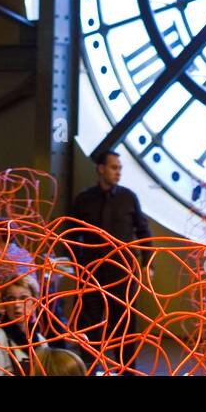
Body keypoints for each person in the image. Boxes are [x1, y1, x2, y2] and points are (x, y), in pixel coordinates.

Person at [63, 150, 151, 371]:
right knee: (89, 326)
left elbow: (143, 231)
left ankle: (127, 371)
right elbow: (71, 234)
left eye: (120, 168)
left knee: (124, 328)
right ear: (101, 169)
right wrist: (74, 263)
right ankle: (89, 370)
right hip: (91, 273)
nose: (118, 172)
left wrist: (148, 263)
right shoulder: (84, 199)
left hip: (122, 274)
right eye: (114, 168)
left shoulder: (128, 197)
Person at [0, 277, 45, 375]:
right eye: (11, 298)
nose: (16, 304)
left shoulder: (41, 341)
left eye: (23, 298)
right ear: (4, 304)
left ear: (34, 303)